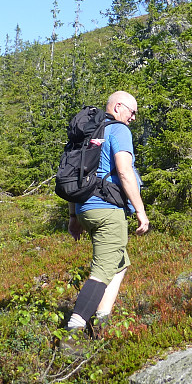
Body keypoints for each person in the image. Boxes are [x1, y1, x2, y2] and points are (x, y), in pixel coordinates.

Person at [64, 90, 149, 348]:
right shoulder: (119, 130)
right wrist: (141, 211)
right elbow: (124, 172)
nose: (133, 117)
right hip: (108, 210)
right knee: (102, 270)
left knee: (119, 263)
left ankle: (101, 323)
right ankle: (73, 332)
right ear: (119, 107)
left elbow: (73, 174)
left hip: (84, 208)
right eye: (132, 112)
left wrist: (72, 215)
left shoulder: (87, 132)